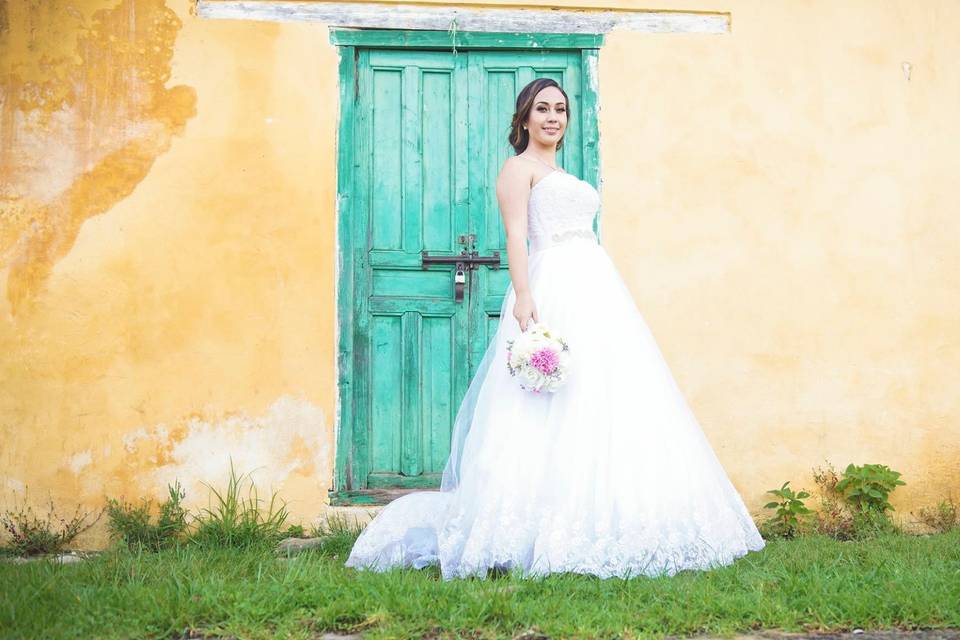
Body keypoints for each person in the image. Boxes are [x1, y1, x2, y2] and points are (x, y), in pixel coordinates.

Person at [344, 78, 765, 581]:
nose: (552, 117)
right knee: (542, 402)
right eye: (542, 109)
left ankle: (605, 511)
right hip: (552, 286)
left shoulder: (560, 171)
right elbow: (517, 234)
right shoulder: (518, 170)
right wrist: (524, 297)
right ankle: (524, 523)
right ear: (524, 118)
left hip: (596, 287)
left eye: (560, 110)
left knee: (602, 394)